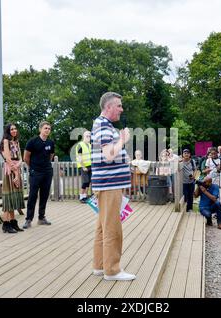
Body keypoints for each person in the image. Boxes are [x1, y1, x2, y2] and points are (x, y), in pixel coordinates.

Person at [91, 92, 135, 281]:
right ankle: (113, 270)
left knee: (102, 227)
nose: (121, 109)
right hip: (109, 185)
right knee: (112, 228)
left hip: (106, 184)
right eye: (119, 105)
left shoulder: (102, 125)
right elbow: (109, 155)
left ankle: (100, 266)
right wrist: (122, 140)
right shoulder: (103, 125)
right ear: (108, 107)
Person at [22, 121, 55, 229]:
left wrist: (46, 166)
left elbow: (51, 156)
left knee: (44, 195)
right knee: (32, 195)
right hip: (35, 172)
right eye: (45, 128)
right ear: (40, 129)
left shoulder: (51, 143)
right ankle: (28, 219)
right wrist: (33, 167)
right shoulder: (32, 142)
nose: (47, 130)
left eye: (49, 129)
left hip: (47, 172)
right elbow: (26, 157)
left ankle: (41, 218)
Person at [0, 123, 25, 234]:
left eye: (15, 128)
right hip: (9, 171)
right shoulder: (6, 141)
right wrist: (15, 173)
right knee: (8, 198)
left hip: (16, 169)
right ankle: (6, 224)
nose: (14, 130)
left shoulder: (17, 142)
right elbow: (8, 159)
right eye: (11, 129)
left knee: (14, 197)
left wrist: (18, 173)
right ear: (8, 131)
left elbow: (20, 158)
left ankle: (13, 222)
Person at [76, 130, 92, 203]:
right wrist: (83, 166)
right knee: (85, 182)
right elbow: (79, 157)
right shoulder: (80, 145)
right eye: (87, 136)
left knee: (88, 182)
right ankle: (81, 197)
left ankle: (85, 196)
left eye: (89, 136)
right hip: (84, 166)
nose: (88, 137)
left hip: (90, 165)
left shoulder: (90, 145)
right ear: (83, 137)